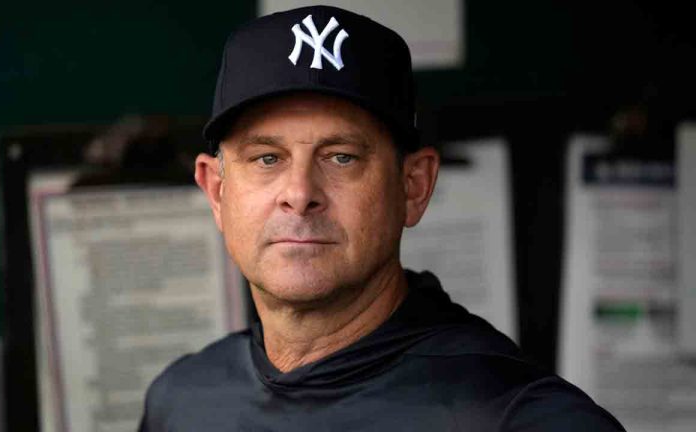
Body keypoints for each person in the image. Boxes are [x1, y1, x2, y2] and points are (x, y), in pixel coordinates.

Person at [139, 5, 625, 431]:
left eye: (341, 157)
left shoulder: (520, 417)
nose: (300, 194)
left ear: (413, 187)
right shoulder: (181, 401)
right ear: (218, 191)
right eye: (267, 158)